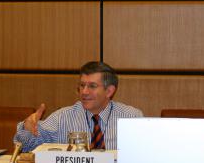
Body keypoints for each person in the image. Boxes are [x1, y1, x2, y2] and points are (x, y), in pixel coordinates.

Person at [14, 61, 143, 152]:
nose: (84, 92)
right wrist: (27, 127)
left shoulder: (131, 118)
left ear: (109, 91)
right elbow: (27, 147)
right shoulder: (62, 117)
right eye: (82, 85)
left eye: (92, 86)